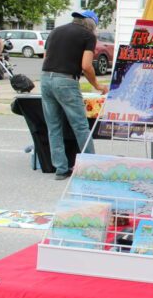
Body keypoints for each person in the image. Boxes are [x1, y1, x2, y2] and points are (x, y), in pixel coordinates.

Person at [41, 10, 109, 180]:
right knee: (80, 126)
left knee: (54, 126)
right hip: (66, 80)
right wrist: (97, 85)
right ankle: (90, 168)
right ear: (92, 25)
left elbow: (45, 57)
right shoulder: (88, 36)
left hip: (46, 79)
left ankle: (61, 169)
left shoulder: (56, 31)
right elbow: (86, 66)